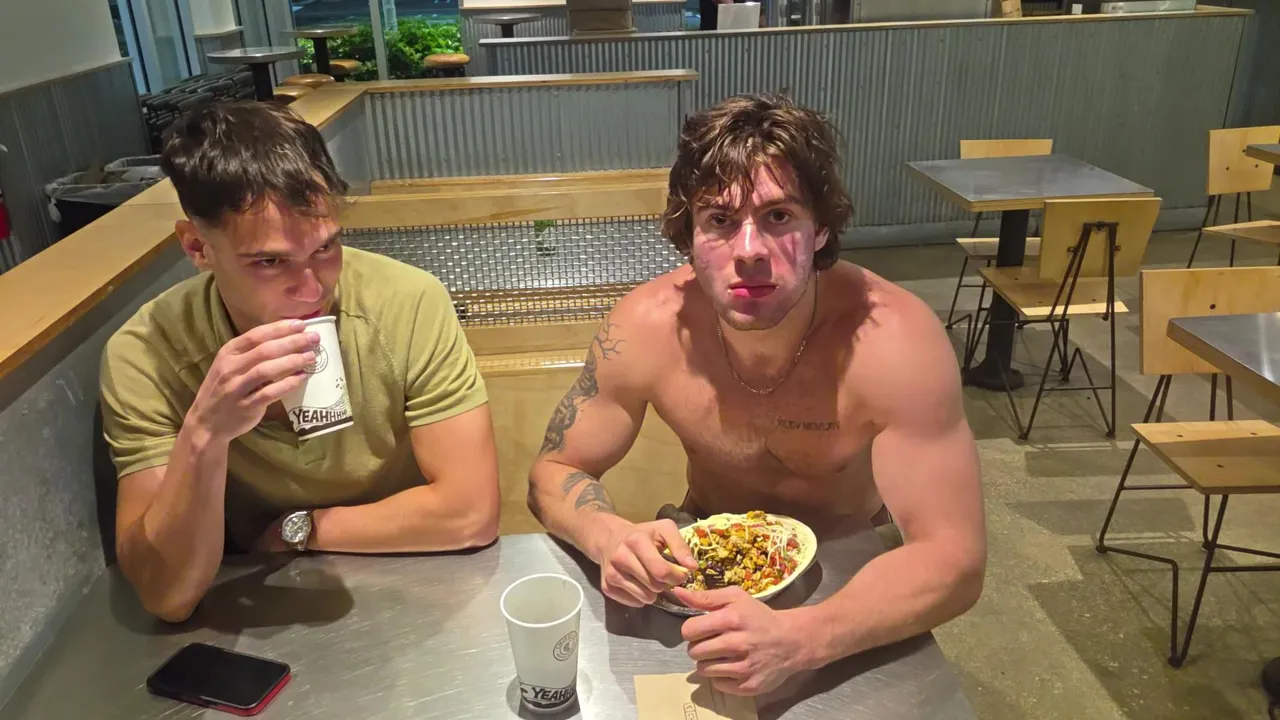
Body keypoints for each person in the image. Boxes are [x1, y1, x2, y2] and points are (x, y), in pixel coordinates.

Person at [527, 93, 986, 696]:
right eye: (720, 220)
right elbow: (554, 470)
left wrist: (805, 638)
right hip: (703, 558)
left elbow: (955, 558)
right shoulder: (645, 327)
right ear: (688, 234)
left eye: (779, 216)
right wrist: (608, 535)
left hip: (852, 565)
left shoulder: (893, 339)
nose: (749, 251)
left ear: (821, 229)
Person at [100, 101, 500, 623]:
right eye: (270, 261)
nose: (312, 290)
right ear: (197, 247)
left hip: (415, 574)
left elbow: (471, 513)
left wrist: (300, 529)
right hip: (256, 597)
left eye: (326, 248)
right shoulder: (146, 357)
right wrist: (205, 434)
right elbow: (167, 596)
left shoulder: (407, 303)